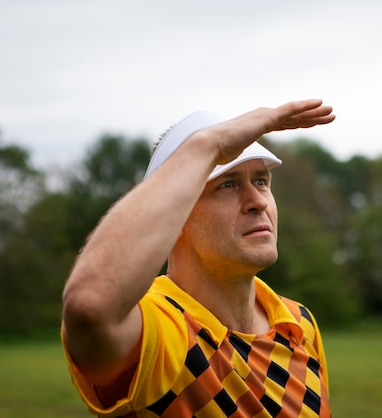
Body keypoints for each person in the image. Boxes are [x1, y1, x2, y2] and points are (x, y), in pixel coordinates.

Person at [61, 99, 336, 417]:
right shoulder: (163, 330)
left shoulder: (299, 323)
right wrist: (209, 145)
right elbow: (89, 304)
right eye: (227, 185)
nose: (257, 201)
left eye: (261, 180)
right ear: (173, 219)